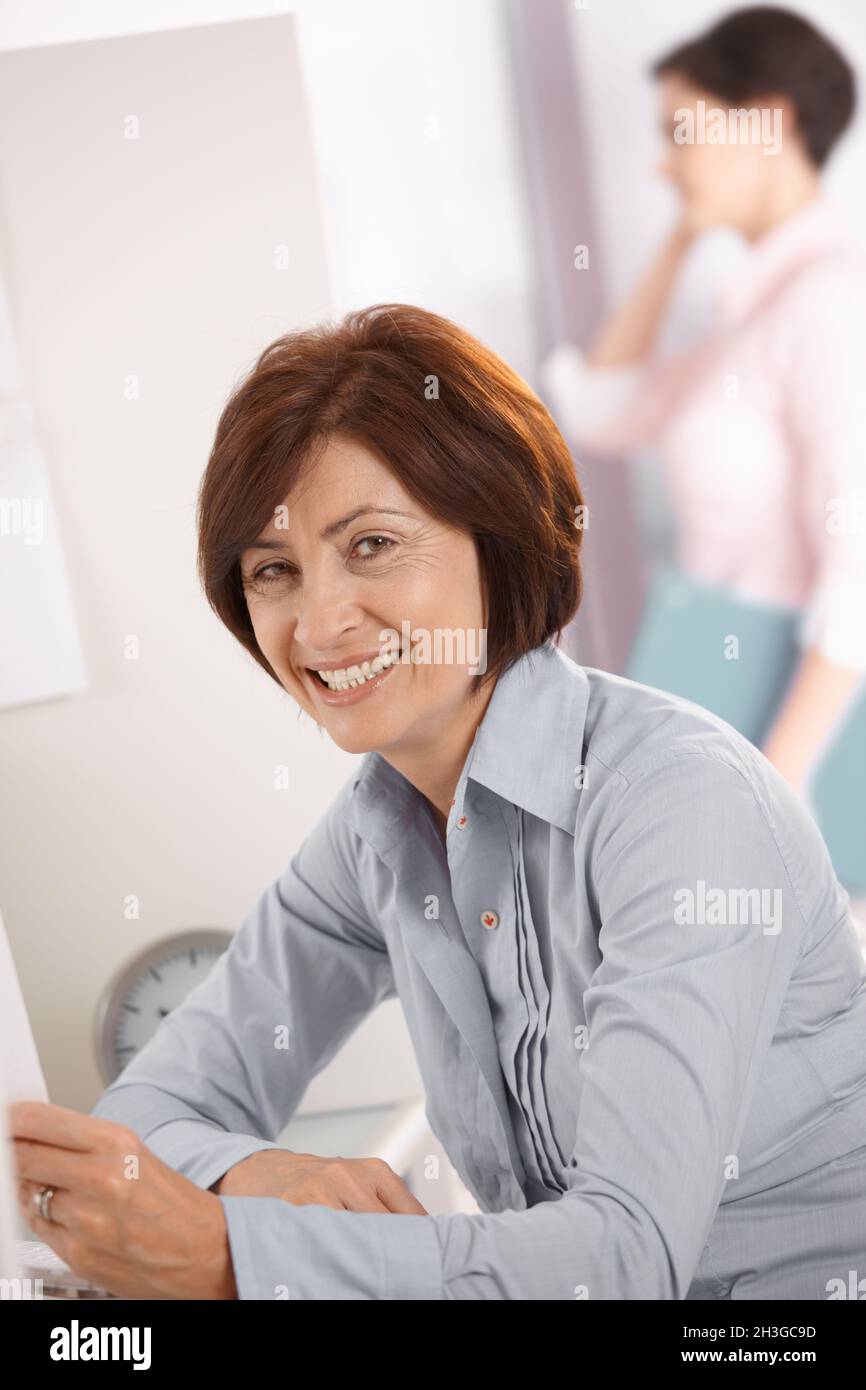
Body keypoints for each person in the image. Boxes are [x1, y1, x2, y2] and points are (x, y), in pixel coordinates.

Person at [11, 303, 866, 1299]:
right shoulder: (377, 826)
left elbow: (624, 1261)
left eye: (371, 544)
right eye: (274, 570)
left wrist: (236, 1257)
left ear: (496, 538)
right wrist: (253, 1174)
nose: (321, 621)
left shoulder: (678, 804)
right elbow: (141, 1112)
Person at [541, 6, 866, 908]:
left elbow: (861, 565)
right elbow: (601, 411)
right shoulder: (748, 314)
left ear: (773, 120)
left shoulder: (830, 306)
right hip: (721, 698)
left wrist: (781, 780)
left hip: (804, 738)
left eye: (682, 131)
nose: (664, 160)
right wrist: (681, 232)